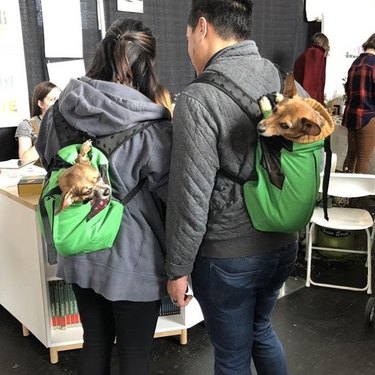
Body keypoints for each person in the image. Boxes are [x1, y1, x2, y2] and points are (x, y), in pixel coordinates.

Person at [165, 1, 298, 374]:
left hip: (228, 254)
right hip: (282, 241)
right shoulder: (282, 78)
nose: (189, 45)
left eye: (188, 36)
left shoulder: (197, 98)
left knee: (231, 355)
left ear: (203, 28)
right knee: (261, 330)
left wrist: (177, 268)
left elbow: (190, 194)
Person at [36, 18, 172, 375]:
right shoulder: (153, 126)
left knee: (94, 343)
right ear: (147, 65)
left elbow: (48, 159)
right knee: (134, 358)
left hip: (78, 248)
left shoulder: (60, 110)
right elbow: (172, 194)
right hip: (134, 258)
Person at [342, 33, 375, 174]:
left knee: (351, 156)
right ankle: (358, 196)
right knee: (363, 159)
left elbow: (348, 90)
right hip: (368, 116)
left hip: (351, 115)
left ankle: (344, 193)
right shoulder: (373, 64)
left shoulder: (355, 62)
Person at [15, 81, 60, 161]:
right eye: (53, 99)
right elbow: (25, 160)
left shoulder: (67, 122)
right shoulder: (29, 124)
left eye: (60, 99)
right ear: (40, 104)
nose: (58, 103)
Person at [293, 32, 330, 104]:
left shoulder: (307, 53)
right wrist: (312, 104)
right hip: (308, 101)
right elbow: (311, 83)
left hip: (300, 97)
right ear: (323, 43)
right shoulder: (315, 53)